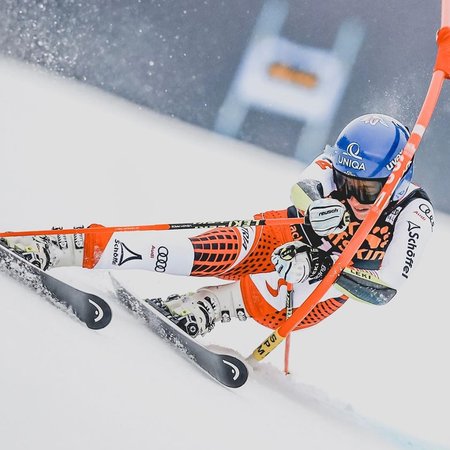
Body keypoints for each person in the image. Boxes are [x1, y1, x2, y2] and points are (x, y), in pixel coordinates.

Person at [2, 113, 434, 337]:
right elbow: (303, 188)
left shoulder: (414, 213)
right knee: (205, 250)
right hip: (284, 235)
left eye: (364, 190)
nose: (351, 193)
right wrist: (321, 206)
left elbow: (384, 290)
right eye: (345, 180)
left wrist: (325, 266)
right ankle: (64, 247)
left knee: (284, 286)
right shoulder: (338, 163)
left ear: (396, 182)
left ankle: (209, 308)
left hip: (319, 292)